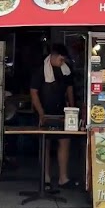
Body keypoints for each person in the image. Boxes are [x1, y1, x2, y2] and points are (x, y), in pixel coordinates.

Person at [30, 43, 76, 190]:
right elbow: (33, 92)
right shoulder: (40, 70)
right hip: (44, 112)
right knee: (45, 144)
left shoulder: (66, 70)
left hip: (62, 112)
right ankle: (46, 177)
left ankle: (63, 177)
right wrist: (41, 113)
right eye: (61, 59)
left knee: (64, 141)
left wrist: (72, 109)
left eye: (64, 60)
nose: (62, 62)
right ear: (53, 56)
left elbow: (69, 89)